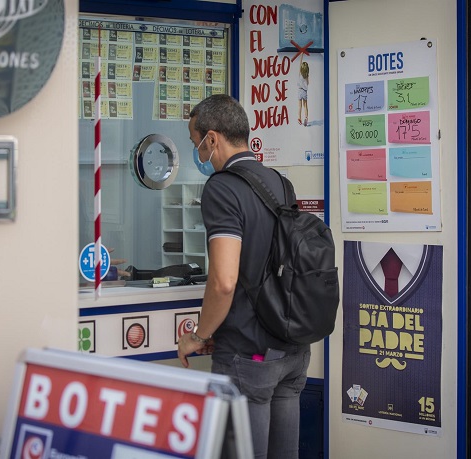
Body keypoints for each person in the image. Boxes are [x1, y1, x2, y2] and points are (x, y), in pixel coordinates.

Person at [177, 94, 311, 459]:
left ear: (213, 139)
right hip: (291, 350)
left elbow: (223, 281)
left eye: (195, 143)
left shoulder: (222, 188)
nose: (198, 153)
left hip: (248, 356)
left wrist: (199, 335)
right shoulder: (280, 184)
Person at [297, 53, 309, 126]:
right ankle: (306, 118)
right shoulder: (306, 76)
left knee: (299, 106)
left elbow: (300, 63)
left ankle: (299, 118)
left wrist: (301, 55)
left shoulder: (300, 74)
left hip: (299, 91)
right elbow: (308, 83)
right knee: (305, 106)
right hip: (304, 91)